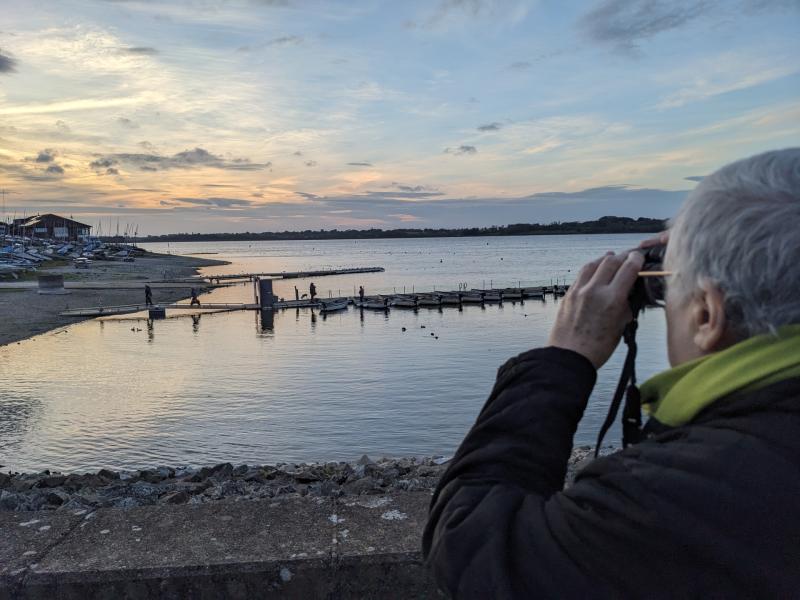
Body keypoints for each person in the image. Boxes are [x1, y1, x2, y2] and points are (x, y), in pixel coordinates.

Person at [423, 149, 800, 598]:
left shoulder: (672, 499)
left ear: (706, 314)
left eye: (669, 290)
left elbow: (469, 545)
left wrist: (565, 354)